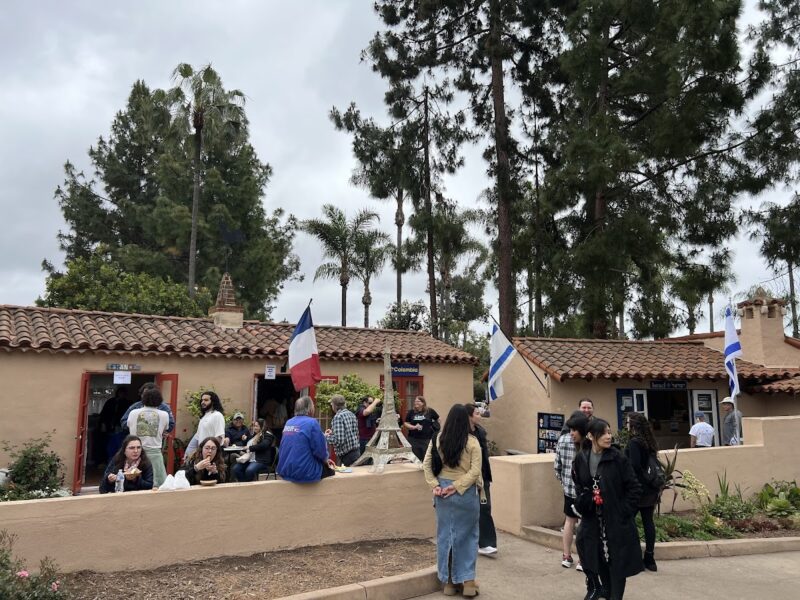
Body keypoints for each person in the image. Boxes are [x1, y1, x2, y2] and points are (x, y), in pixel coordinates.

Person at [572, 419, 643, 600]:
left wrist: (623, 512)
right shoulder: (581, 458)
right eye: (603, 433)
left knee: (617, 564)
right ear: (590, 436)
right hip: (593, 521)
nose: (608, 436)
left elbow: (634, 488)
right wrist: (584, 499)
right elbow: (578, 485)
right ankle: (604, 590)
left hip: (616, 521)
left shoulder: (618, 458)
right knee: (599, 560)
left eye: (609, 432)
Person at [423, 404, 483, 597]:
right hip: (465, 494)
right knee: (468, 537)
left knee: (445, 536)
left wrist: (435, 485)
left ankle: (449, 582)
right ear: (466, 420)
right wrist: (457, 486)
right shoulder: (472, 442)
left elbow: (426, 464)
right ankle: (468, 581)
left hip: (442, 493)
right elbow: (475, 471)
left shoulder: (438, 439)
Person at [624, 412, 660, 572]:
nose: (626, 426)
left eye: (627, 423)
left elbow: (635, 466)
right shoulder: (649, 441)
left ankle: (633, 556)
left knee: (628, 522)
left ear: (633, 425)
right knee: (648, 522)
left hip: (638, 489)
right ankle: (650, 557)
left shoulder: (634, 442)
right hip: (651, 487)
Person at [554, 410, 589, 570]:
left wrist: (564, 481)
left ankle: (566, 556)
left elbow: (557, 466)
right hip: (585, 491)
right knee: (583, 523)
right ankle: (582, 559)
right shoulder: (588, 443)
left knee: (569, 521)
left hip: (569, 489)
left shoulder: (562, 440)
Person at [277, 396, 335, 483]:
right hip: (304, 472)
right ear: (309, 409)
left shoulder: (289, 422)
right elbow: (320, 451)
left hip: (285, 471)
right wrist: (326, 460)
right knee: (331, 471)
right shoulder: (312, 422)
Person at [465, 403, 498, 557]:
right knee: (467, 511)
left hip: (482, 477)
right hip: (466, 478)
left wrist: (486, 477)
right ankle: (467, 542)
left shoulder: (481, 432)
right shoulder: (462, 435)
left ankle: (486, 543)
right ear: (469, 416)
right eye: (477, 413)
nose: (480, 416)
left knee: (485, 508)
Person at [126, 387, 169, 487]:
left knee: (134, 482)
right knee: (158, 484)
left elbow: (128, 425)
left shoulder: (133, 413)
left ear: (143, 399)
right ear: (159, 400)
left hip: (135, 452)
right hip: (155, 453)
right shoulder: (164, 414)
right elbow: (165, 429)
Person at [324, 395, 360, 466]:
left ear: (335, 405)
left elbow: (339, 440)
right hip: (356, 452)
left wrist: (324, 437)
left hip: (347, 456)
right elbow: (352, 433)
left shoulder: (338, 417)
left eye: (331, 404)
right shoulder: (351, 414)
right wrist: (333, 432)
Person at [404, 396, 440, 461]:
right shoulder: (411, 412)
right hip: (413, 439)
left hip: (426, 439)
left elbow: (438, 419)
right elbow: (406, 423)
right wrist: (413, 427)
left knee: (426, 458)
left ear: (423, 403)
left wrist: (434, 428)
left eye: (418, 401)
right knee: (415, 459)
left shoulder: (429, 411)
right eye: (415, 401)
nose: (416, 403)